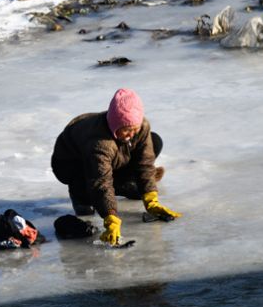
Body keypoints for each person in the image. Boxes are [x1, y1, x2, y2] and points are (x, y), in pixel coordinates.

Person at [51, 88, 181, 246]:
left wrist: (150, 198)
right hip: (73, 164)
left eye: (134, 129)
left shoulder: (141, 126)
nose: (131, 134)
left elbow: (144, 163)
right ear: (114, 125)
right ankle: (81, 194)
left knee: (154, 142)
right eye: (126, 130)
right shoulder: (99, 143)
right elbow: (101, 181)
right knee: (91, 187)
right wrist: (110, 217)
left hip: (113, 156)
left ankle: (123, 184)